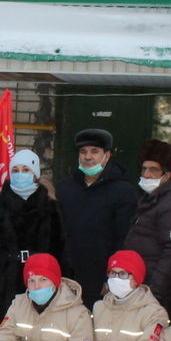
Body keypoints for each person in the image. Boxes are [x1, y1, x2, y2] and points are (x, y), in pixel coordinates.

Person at [56, 127, 138, 301]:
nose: (88, 157)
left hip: (103, 282)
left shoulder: (123, 191)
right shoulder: (64, 189)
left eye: (94, 151)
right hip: (68, 280)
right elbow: (58, 235)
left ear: (107, 156)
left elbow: (124, 238)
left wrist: (113, 278)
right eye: (83, 152)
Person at [0, 148, 67, 300]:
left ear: (35, 174)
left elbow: (61, 247)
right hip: (4, 282)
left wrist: (64, 279)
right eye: (16, 170)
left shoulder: (50, 206)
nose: (20, 174)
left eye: (26, 170)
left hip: (41, 279)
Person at [122, 138, 171, 314]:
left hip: (154, 294)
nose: (146, 174)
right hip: (137, 287)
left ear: (167, 175)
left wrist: (154, 291)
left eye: (153, 170)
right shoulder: (148, 200)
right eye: (144, 169)